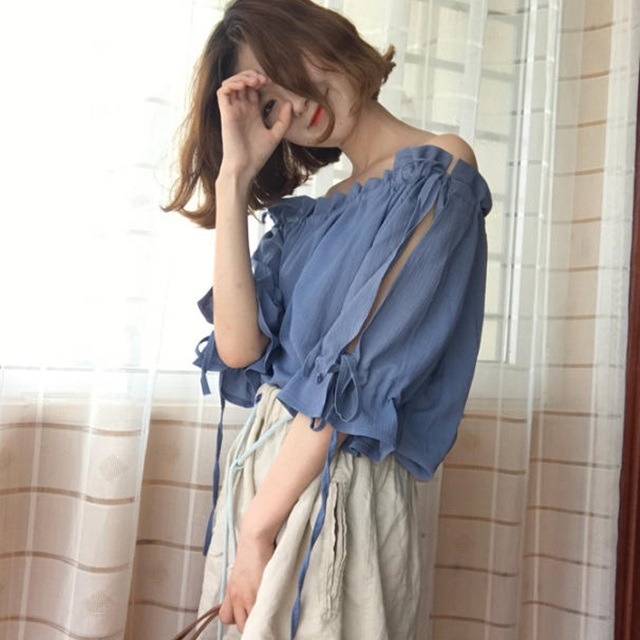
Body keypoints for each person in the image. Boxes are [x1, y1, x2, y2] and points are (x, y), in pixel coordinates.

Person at [162, 0, 493, 638]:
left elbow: (354, 377)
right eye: (267, 104)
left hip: (335, 489)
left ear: (328, 38)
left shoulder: (440, 169)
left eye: (292, 65)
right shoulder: (316, 213)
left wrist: (257, 532)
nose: (294, 102)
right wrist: (234, 178)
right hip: (263, 486)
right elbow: (239, 350)